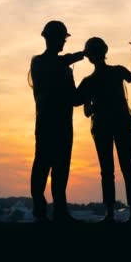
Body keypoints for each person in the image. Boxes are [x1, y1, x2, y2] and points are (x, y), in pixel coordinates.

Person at [74, 33, 131, 223]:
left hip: (104, 127)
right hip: (121, 124)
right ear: (104, 52)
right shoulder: (116, 71)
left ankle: (111, 213)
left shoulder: (89, 81)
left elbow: (80, 106)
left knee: (108, 170)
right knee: (127, 167)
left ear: (90, 57)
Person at [28, 20, 86, 223]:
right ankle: (40, 211)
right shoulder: (39, 62)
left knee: (60, 169)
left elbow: (75, 99)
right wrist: (82, 54)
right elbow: (57, 63)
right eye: (61, 38)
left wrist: (90, 87)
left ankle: (59, 212)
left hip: (62, 124)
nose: (63, 42)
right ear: (49, 38)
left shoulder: (64, 68)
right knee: (43, 165)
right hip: (47, 123)